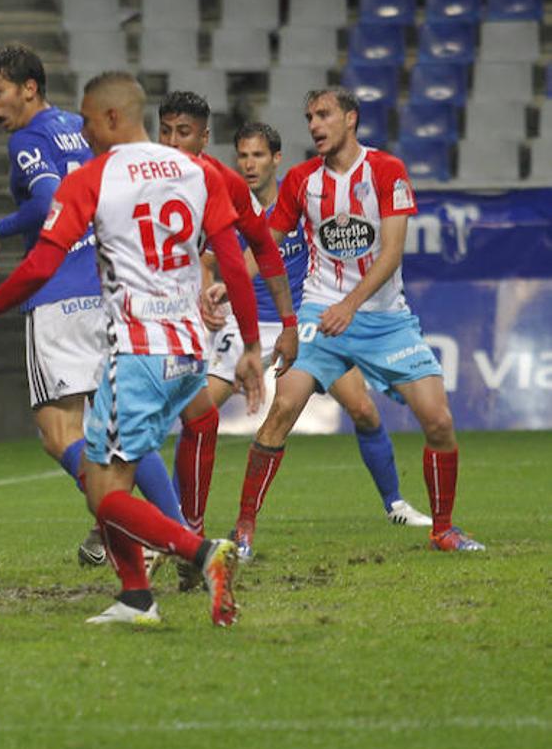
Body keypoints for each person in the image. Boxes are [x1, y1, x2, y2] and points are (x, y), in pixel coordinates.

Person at [0, 71, 267, 627]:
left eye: (87, 119)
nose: (82, 130)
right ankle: (135, 596)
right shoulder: (200, 172)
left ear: (112, 119)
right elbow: (231, 253)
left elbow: (41, 264)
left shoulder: (95, 179)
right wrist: (248, 344)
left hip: (138, 351)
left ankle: (199, 551)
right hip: (190, 351)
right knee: (107, 480)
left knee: (103, 493)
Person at [229, 87, 486, 558]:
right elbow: (267, 244)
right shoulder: (302, 181)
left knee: (439, 421)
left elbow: (390, 254)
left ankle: (443, 530)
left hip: (386, 319)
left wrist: (351, 304)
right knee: (281, 411)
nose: (315, 125)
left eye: (324, 115)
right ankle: (243, 530)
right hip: (320, 316)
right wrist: (229, 283)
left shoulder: (387, 171)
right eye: (309, 117)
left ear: (351, 118)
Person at [0, 44, 185, 569]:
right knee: (119, 429)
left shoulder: (27, 139)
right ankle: (183, 534)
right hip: (103, 285)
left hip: (58, 295)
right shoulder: (79, 125)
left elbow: (48, 202)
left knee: (57, 433)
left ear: (28, 88)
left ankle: (143, 533)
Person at [201, 121, 431, 538]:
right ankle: (188, 521)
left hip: (302, 322)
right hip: (246, 325)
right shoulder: (229, 207)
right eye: (242, 156)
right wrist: (213, 290)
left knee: (362, 410)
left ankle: (394, 502)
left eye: (257, 155)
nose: (249, 165)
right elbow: (209, 261)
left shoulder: (303, 197)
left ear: (276, 159)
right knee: (199, 412)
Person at [154, 92, 298, 579]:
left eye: (185, 132)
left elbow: (251, 255)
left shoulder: (222, 184)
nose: (173, 142)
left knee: (195, 418)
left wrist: (282, 327)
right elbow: (217, 260)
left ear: (204, 137)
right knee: (160, 424)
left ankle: (185, 532)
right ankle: (161, 530)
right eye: (166, 130)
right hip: (142, 317)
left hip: (238, 323)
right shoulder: (133, 174)